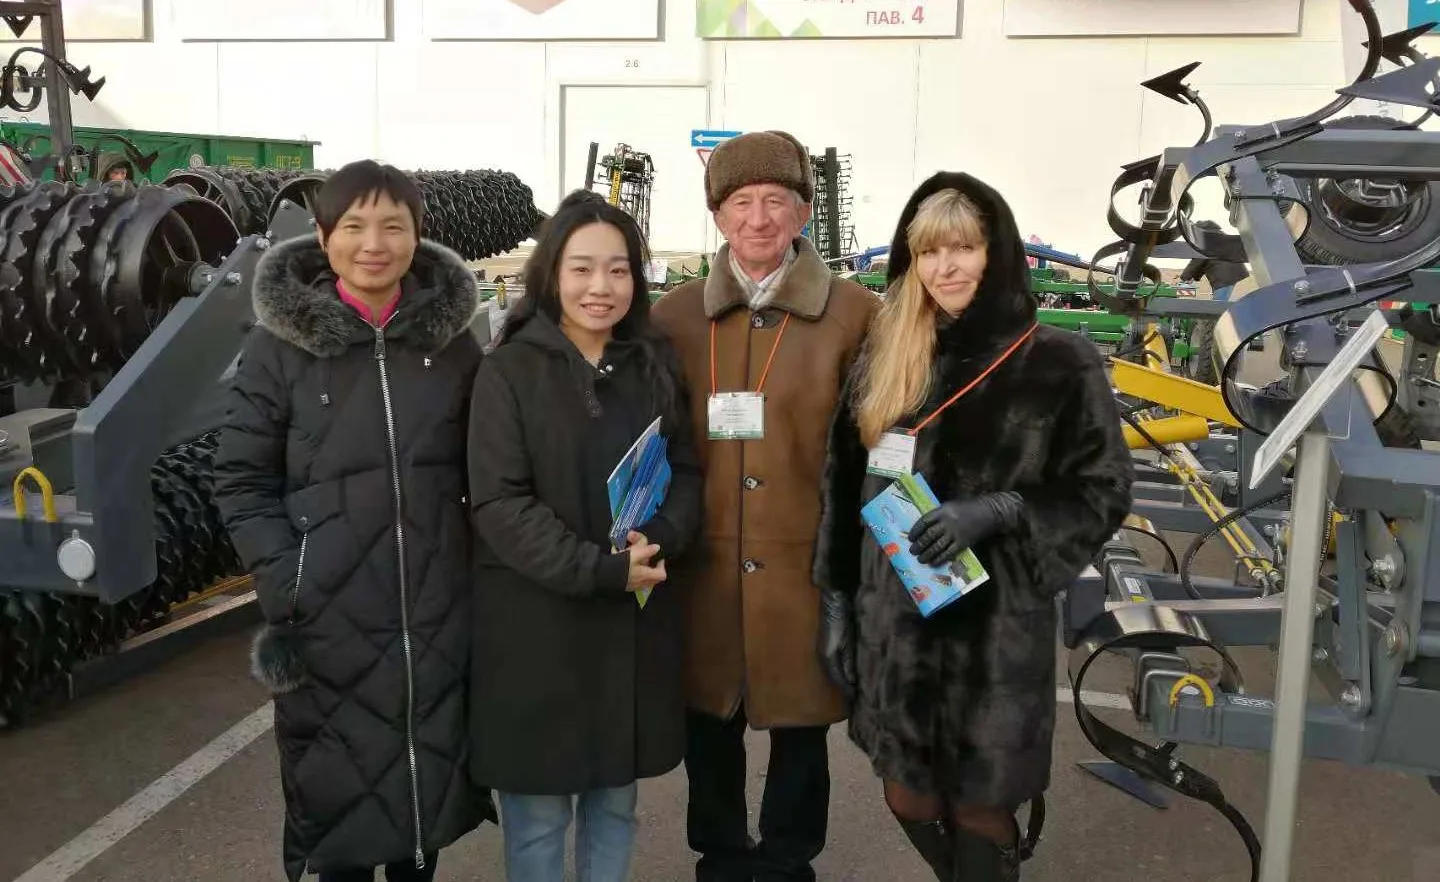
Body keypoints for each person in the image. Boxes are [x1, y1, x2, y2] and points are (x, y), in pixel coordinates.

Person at [813, 171, 1135, 882]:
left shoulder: (1059, 362)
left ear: (998, 252)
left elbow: (1104, 489)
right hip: (896, 627)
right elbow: (842, 481)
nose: (946, 268)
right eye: (929, 252)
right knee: (907, 795)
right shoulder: (887, 354)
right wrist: (835, 601)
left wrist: (1001, 510)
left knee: (981, 808)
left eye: (963, 248)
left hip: (994, 636)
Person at [213, 159, 494, 882]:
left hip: (435, 614)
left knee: (423, 813)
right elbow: (241, 480)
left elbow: (490, 466)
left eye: (393, 226)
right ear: (323, 235)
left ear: (417, 236)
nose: (374, 244)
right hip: (328, 620)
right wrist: (291, 582)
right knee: (341, 822)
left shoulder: (451, 345)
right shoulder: (278, 349)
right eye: (355, 226)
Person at [651, 130, 880, 882]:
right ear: (717, 214)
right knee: (708, 725)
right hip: (702, 564)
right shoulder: (674, 318)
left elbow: (888, 444)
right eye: (741, 202)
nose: (758, 218)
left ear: (804, 211)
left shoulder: (857, 315)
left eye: (776, 200)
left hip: (805, 565)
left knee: (801, 729)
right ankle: (719, 856)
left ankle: (787, 860)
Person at [466, 189, 704, 882]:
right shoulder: (508, 370)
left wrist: (660, 536)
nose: (601, 286)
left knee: (614, 805)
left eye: (618, 269)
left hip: (628, 629)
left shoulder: (653, 366)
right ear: (551, 275)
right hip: (536, 628)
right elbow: (500, 503)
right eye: (582, 268)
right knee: (539, 818)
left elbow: (686, 470)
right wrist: (601, 571)